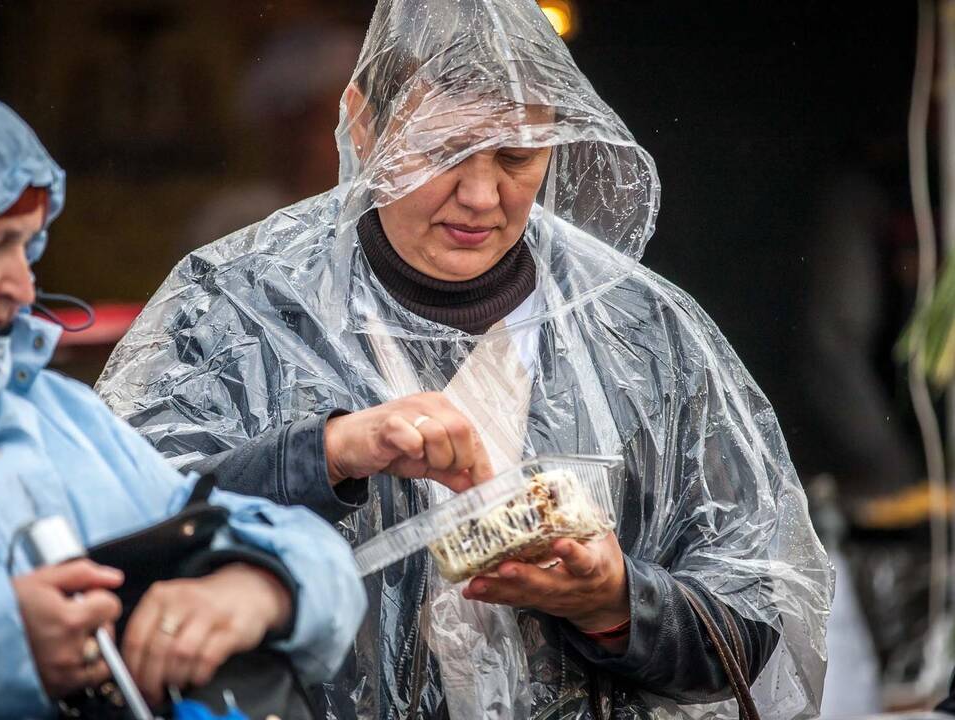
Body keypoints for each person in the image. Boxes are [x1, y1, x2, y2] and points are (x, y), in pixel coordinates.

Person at [97, 1, 834, 718]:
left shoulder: (642, 335)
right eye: (442, 152)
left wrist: (616, 603)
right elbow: (119, 531)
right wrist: (328, 452)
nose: (482, 196)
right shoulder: (235, 307)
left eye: (518, 155)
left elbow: (755, 615)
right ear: (362, 121)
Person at [0, 61, 366, 719]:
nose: (23, 287)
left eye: (27, 247)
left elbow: (283, 542)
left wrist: (257, 588)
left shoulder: (60, 416)